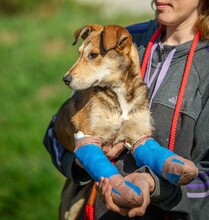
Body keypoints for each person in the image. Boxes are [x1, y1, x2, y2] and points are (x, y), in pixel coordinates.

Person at [43, 0, 209, 219]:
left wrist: (153, 185)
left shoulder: (205, 65)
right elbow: (55, 132)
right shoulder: (120, 40)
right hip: (94, 211)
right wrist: (83, 160)